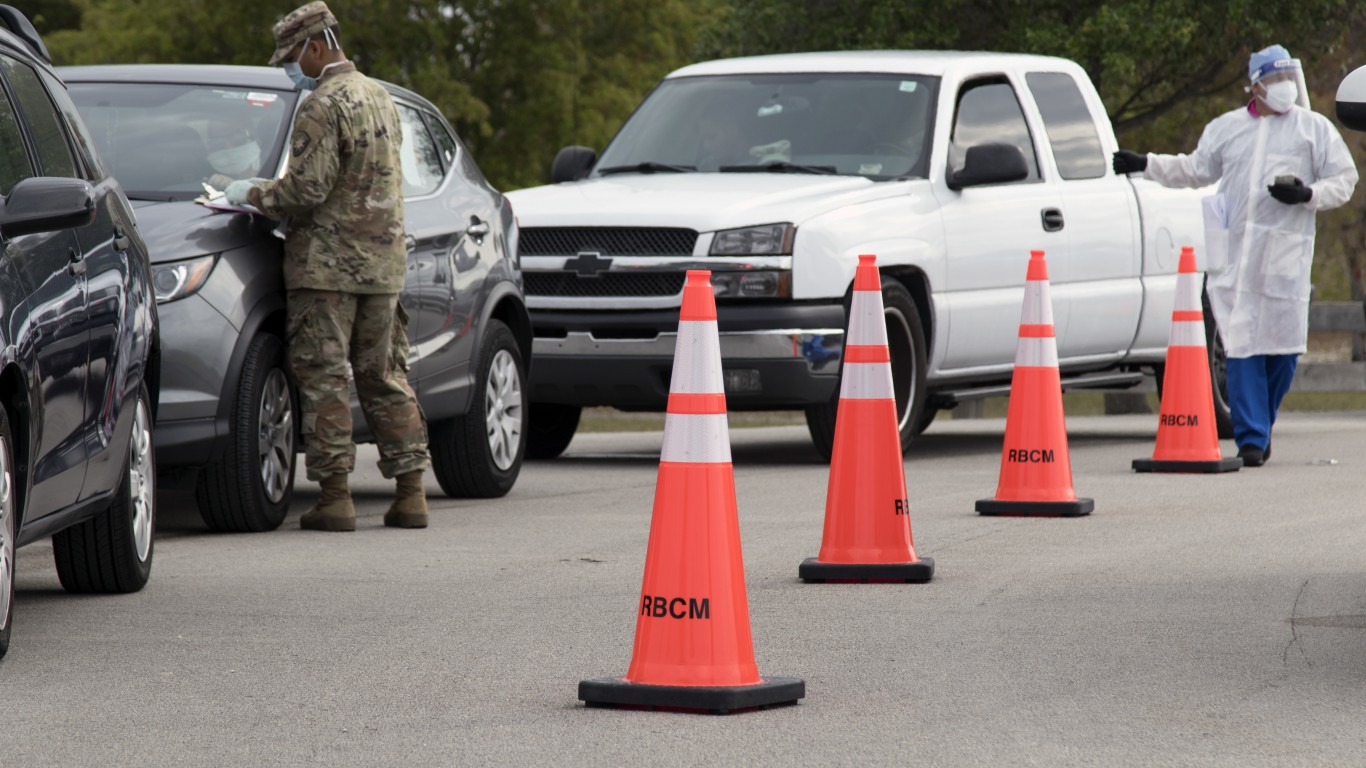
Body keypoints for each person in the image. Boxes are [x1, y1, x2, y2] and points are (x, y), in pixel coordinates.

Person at [224, 1, 430, 529]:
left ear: (316, 46)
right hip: (383, 268)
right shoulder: (380, 96)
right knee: (385, 375)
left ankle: (335, 498)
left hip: (327, 271)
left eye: (293, 56)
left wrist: (248, 192)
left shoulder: (322, 103)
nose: (292, 67)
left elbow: (306, 189)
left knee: (325, 380)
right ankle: (411, 494)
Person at [1113, 45, 1358, 467]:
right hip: (1234, 261)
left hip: (1284, 260)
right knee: (1242, 346)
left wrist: (1307, 194)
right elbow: (1195, 169)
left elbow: (1345, 179)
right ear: (1257, 84)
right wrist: (1145, 164)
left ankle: (1261, 423)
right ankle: (1251, 438)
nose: (1284, 87)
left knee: (1283, 351)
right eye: (1275, 80)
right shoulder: (1227, 128)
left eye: (1287, 78)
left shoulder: (1312, 129)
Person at [204, 120, 263, 191]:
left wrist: (240, 190)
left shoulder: (278, 175)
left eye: (238, 138)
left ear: (258, 142)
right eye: (218, 143)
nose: (229, 148)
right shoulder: (208, 188)